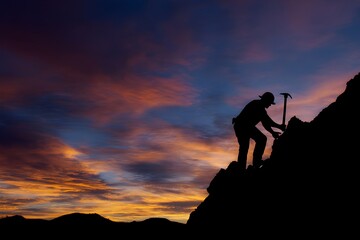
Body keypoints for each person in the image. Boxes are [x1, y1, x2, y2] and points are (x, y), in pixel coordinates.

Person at [232, 92, 286, 171]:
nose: (270, 105)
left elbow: (265, 124)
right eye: (270, 103)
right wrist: (279, 126)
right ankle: (247, 166)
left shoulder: (260, 107)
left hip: (245, 126)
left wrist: (273, 132)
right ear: (266, 100)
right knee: (246, 146)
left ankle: (254, 163)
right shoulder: (257, 105)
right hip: (242, 126)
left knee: (260, 140)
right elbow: (268, 122)